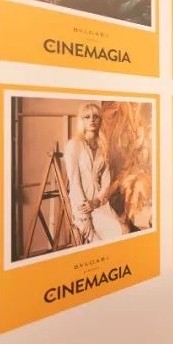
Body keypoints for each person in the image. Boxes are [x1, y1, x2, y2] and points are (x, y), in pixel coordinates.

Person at [64, 102, 124, 244]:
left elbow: (106, 181)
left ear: (100, 120)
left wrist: (96, 201)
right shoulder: (73, 145)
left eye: (95, 116)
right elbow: (74, 183)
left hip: (99, 203)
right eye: (87, 117)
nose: (92, 120)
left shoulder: (103, 146)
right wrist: (86, 218)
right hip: (81, 205)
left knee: (124, 231)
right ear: (82, 121)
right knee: (104, 242)